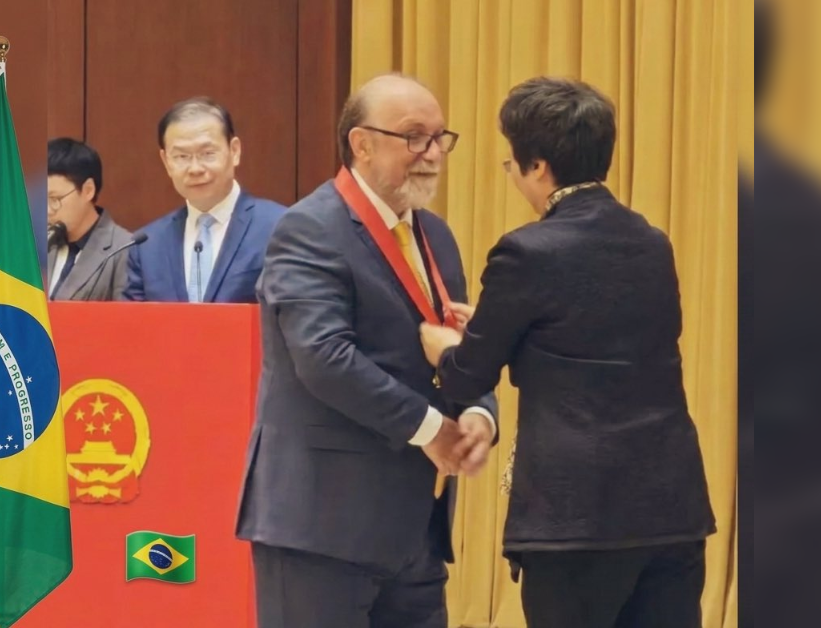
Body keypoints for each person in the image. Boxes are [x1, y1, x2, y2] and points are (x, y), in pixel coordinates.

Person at [419, 77, 716, 628]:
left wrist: (446, 348)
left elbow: (466, 378)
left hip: (576, 516)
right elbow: (599, 341)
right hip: (671, 509)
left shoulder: (526, 252)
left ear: (538, 166)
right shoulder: (653, 243)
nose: (512, 174)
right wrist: (502, 329)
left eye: (512, 163)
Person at [235, 74, 498, 628]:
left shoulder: (437, 236)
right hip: (322, 526)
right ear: (362, 143)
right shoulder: (308, 228)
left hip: (415, 532)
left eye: (440, 138)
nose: (433, 153)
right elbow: (324, 358)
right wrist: (434, 429)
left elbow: (459, 341)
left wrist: (478, 411)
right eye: (415, 137)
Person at [122, 97, 284, 303]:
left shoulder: (279, 226)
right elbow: (133, 320)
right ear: (166, 162)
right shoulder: (147, 244)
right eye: (182, 157)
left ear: (234, 151)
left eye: (207, 154)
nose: (195, 169)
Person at [46, 138, 133, 301]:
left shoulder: (124, 249)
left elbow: (125, 316)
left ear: (88, 190)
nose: (47, 210)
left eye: (54, 199)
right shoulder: (39, 244)